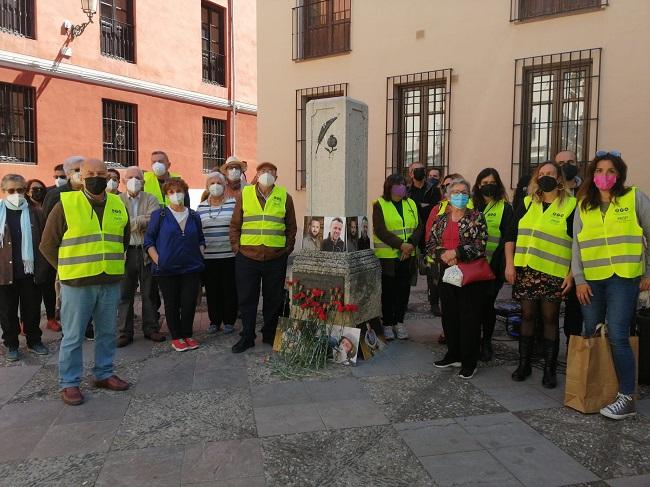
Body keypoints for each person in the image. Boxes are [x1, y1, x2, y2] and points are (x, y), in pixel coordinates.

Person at [40, 158, 131, 406]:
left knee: (107, 331)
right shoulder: (66, 204)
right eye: (90, 173)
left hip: (109, 280)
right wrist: (67, 269)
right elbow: (47, 245)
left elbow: (122, 240)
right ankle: (69, 383)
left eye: (101, 173)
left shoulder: (117, 204)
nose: (96, 177)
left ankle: (103, 373)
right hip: (76, 284)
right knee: (73, 336)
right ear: (80, 176)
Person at [573, 151, 650, 420]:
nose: (604, 176)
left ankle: (626, 397)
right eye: (599, 171)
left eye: (610, 171)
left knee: (617, 335)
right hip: (592, 279)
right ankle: (594, 389)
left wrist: (648, 271)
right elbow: (577, 246)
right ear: (593, 175)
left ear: (619, 175)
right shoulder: (584, 204)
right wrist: (579, 279)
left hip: (624, 278)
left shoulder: (634, 197)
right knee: (592, 333)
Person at [512, 161, 575, 388]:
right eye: (541, 174)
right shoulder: (528, 203)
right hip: (528, 269)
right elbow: (513, 234)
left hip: (554, 272)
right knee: (527, 316)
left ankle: (549, 369)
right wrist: (510, 265)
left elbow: (578, 243)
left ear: (559, 179)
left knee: (550, 319)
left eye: (550, 173)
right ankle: (524, 363)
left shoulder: (572, 205)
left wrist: (572, 273)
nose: (545, 177)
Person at [229, 162, 297, 353]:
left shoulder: (285, 197)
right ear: (257, 175)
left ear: (276, 176)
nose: (266, 174)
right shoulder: (245, 195)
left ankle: (269, 334)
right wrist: (236, 248)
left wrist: (287, 249)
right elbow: (235, 224)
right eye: (263, 171)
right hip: (247, 257)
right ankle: (247, 336)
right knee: (247, 299)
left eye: (271, 172)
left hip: (275, 258)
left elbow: (291, 226)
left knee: (273, 298)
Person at [428, 178, 489, 379]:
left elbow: (480, 245)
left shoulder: (476, 217)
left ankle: (469, 361)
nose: (460, 195)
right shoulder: (441, 218)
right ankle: (453, 354)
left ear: (469, 195)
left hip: (469, 275)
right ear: (447, 195)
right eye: (455, 192)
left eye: (464, 192)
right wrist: (444, 255)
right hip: (447, 272)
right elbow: (431, 244)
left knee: (469, 318)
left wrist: (457, 253)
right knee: (450, 316)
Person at [145, 178, 205, 352]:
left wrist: (200, 254)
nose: (176, 195)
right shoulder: (160, 215)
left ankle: (188, 334)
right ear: (166, 195)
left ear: (185, 193)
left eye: (179, 191)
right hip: (166, 269)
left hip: (191, 268)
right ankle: (177, 336)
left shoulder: (194, 215)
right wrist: (159, 260)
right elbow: (149, 241)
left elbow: (201, 238)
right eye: (171, 192)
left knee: (189, 303)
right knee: (171, 303)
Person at [0, 175, 49, 361]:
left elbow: (45, 242)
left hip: (30, 272)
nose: (16, 194)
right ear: (4, 192)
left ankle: (34, 341)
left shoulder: (35, 213)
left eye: (20, 190)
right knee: (7, 311)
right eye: (11, 191)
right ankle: (11, 344)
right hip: (5, 273)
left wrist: (43, 269)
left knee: (32, 310)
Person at [470, 168, 516, 362]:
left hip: (492, 267)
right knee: (471, 306)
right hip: (470, 265)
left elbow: (508, 237)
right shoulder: (470, 205)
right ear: (478, 185)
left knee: (487, 306)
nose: (488, 185)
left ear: (497, 184)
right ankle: (470, 341)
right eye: (484, 182)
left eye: (492, 182)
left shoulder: (505, 207)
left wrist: (508, 265)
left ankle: (486, 342)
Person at [116, 167, 165, 347]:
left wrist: (130, 222)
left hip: (146, 250)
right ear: (123, 181)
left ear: (143, 181)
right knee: (124, 293)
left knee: (150, 292)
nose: (134, 180)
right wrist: (138, 222)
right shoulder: (116, 200)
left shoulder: (151, 198)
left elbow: (154, 220)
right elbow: (117, 223)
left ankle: (151, 328)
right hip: (125, 251)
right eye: (130, 177)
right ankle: (124, 332)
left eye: (138, 177)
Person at [373, 174, 422, 341]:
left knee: (403, 290)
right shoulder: (379, 204)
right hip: (388, 256)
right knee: (389, 292)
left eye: (403, 184)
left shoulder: (411, 204)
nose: (402, 187)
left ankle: (399, 322)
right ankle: (387, 323)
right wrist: (401, 245)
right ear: (389, 187)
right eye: (398, 184)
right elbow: (380, 230)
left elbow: (418, 227)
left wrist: (410, 245)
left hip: (408, 255)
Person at [41, 155, 85, 334]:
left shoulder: (91, 192)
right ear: (67, 174)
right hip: (64, 256)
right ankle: (70, 330)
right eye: (77, 170)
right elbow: (48, 230)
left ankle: (86, 326)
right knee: (67, 297)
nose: (82, 173)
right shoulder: (55, 195)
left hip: (86, 252)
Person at [198, 172, 238, 335]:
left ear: (224, 185)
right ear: (207, 187)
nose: (215, 186)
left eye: (219, 182)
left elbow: (238, 226)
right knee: (212, 290)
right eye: (212, 183)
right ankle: (214, 321)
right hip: (209, 257)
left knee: (229, 289)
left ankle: (229, 321)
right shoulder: (201, 207)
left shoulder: (233, 203)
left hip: (230, 255)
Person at [425, 173, 464, 318]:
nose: (447, 189)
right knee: (446, 297)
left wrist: (457, 254)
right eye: (444, 186)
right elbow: (429, 233)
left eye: (450, 185)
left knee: (459, 299)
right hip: (441, 258)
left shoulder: (470, 207)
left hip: (461, 259)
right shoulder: (437, 208)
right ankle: (448, 331)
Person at [554, 150, 584, 341]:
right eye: (561, 163)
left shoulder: (588, 190)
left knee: (575, 309)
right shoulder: (550, 191)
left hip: (581, 260)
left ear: (578, 164)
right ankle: (545, 347)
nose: (567, 165)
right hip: (555, 258)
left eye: (570, 161)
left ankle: (574, 347)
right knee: (548, 310)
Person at [24, 178, 58, 331]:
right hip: (30, 255)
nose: (38, 192)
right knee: (30, 294)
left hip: (47, 254)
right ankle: (26, 323)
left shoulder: (49, 205)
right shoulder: (24, 208)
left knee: (49, 290)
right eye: (34, 189)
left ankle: (51, 319)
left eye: (40, 189)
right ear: (27, 191)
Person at [408, 162, 442, 246]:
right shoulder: (406, 191)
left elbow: (434, 209)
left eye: (422, 170)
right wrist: (422, 206)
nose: (420, 172)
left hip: (429, 231)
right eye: (416, 170)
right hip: (412, 234)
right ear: (411, 174)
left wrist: (417, 206)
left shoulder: (434, 190)